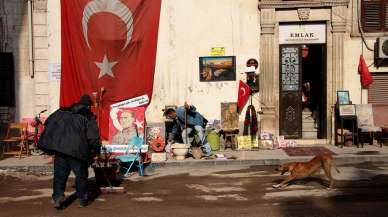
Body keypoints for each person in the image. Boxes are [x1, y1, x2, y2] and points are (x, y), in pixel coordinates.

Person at [38, 94, 101, 209]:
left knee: (59, 176)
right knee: (81, 176)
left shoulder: (62, 111)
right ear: (88, 106)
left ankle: (57, 199)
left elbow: (48, 122)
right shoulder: (88, 116)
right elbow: (94, 138)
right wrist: (96, 152)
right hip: (77, 152)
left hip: (60, 149)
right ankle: (82, 200)